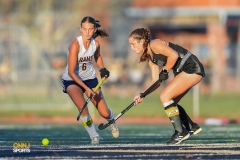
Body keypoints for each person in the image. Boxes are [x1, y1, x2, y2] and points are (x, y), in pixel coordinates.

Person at [128, 28, 204, 145]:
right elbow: (155, 81)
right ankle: (191, 127)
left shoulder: (154, 44)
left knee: (165, 96)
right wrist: (143, 94)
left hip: (192, 67)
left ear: (142, 41)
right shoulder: (150, 58)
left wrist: (165, 70)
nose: (132, 48)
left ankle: (180, 132)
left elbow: (174, 55)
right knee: (170, 101)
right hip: (184, 70)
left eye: (133, 44)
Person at [61, 16, 119, 145]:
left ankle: (111, 118)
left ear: (94, 30)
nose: (87, 32)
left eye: (90, 29)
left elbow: (97, 56)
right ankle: (94, 136)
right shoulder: (75, 45)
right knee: (83, 107)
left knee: (104, 113)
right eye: (84, 29)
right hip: (72, 80)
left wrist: (103, 69)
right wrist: (86, 89)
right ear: (81, 29)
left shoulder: (95, 44)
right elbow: (71, 72)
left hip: (90, 79)